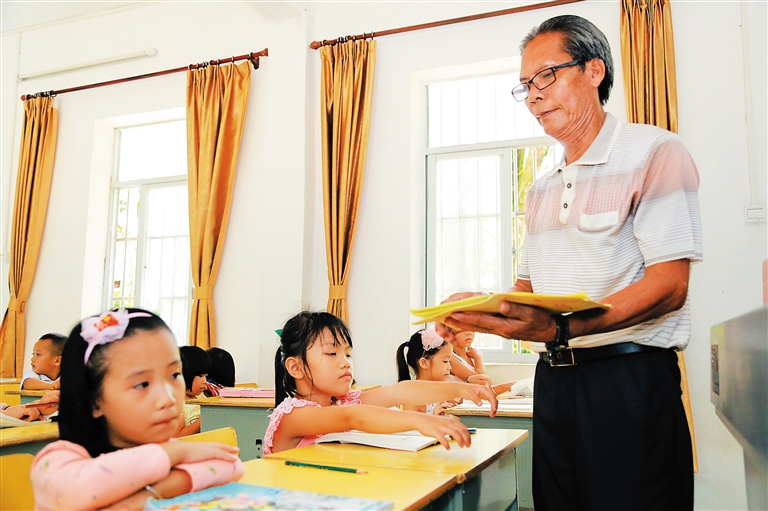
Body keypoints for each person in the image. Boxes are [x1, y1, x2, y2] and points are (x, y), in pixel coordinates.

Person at [436, 14, 701, 511]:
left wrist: (563, 328)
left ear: (594, 70)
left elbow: (670, 285)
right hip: (554, 383)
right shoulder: (542, 186)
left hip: (628, 381)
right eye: (525, 86)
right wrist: (481, 309)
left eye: (546, 76)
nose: (534, 96)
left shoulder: (655, 152)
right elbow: (528, 291)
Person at [31, 308, 244, 510]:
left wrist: (146, 497)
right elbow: (77, 491)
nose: (168, 398)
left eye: (174, 375)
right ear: (94, 401)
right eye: (142, 384)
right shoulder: (56, 460)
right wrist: (176, 452)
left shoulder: (162, 449)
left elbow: (231, 466)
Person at [265, 311, 498, 455]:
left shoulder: (341, 401)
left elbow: (400, 391)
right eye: (331, 354)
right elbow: (352, 417)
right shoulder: (293, 415)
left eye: (348, 354)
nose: (346, 363)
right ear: (295, 367)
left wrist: (462, 388)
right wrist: (419, 420)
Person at [395, 328, 457, 415]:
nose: (449, 367)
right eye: (445, 361)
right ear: (424, 363)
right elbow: (408, 423)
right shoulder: (413, 397)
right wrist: (435, 418)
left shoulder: (439, 392)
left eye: (449, 362)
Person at [178, 345, 212, 436]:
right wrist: (205, 416)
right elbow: (178, 436)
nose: (204, 381)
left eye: (206, 376)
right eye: (200, 376)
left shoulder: (200, 395)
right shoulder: (176, 404)